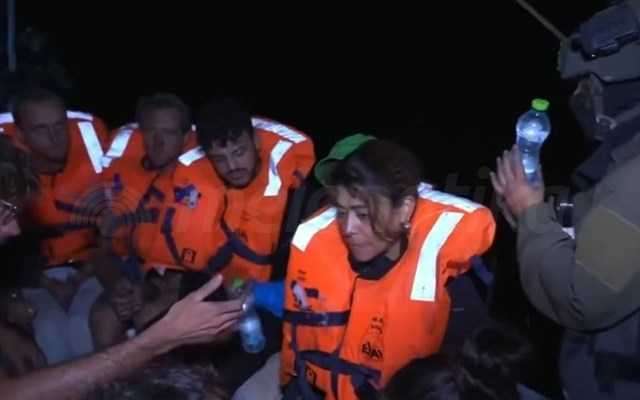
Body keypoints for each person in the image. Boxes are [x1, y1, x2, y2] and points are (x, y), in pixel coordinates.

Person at [0, 136, 246, 399]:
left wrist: (5, 333)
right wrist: (155, 340)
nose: (15, 229)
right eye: (5, 212)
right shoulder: (126, 188)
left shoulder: (210, 192)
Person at [490, 1, 640, 398]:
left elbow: (580, 296)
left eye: (586, 86)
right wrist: (539, 213)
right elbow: (606, 221)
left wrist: (530, 213)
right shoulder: (626, 161)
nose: (579, 99)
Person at [273, 134, 495, 400]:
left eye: (363, 214)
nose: (349, 228)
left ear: (404, 209)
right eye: (341, 212)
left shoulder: (449, 283)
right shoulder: (319, 251)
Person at [194, 98, 316, 393]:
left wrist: (258, 294)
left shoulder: (299, 196)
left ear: (257, 143)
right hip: (222, 295)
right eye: (220, 159)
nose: (232, 166)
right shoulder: (207, 197)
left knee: (218, 382)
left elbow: (314, 287)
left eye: (239, 152)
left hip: (275, 313)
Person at [91, 93, 226, 349]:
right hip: (142, 276)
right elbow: (104, 250)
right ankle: (111, 376)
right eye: (151, 132)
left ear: (185, 138)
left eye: (169, 133)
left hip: (191, 282)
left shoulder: (211, 179)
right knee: (103, 318)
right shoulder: (129, 183)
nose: (158, 142)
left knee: (149, 319)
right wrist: (118, 284)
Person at [0, 87, 110, 364]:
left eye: (60, 126)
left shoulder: (96, 150)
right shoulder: (10, 178)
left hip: (89, 270)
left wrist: (85, 274)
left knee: (83, 328)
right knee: (49, 333)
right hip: (30, 278)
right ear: (21, 135)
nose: (55, 137)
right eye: (41, 129)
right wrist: (42, 284)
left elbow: (114, 232)